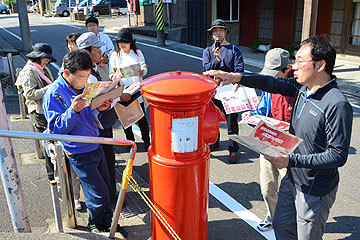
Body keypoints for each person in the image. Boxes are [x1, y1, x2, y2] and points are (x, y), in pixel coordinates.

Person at [204, 35, 353, 240]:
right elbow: (269, 82)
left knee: (307, 236)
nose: (294, 66)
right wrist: (235, 77)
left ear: (320, 65)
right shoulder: (301, 88)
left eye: (300, 61)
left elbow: (338, 155)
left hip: (314, 188)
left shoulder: (336, 104)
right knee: (281, 227)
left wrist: (291, 160)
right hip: (292, 179)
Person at [42, 51, 114, 233]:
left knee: (106, 188)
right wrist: (72, 111)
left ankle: (108, 223)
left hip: (94, 142)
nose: (85, 80)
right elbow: (56, 129)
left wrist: (100, 105)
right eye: (81, 77)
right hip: (78, 149)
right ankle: (95, 225)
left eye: (87, 76)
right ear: (66, 73)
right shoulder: (54, 93)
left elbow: (87, 114)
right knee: (96, 193)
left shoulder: (80, 87)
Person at [241, 48, 294, 232]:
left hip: (290, 147)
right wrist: (252, 115)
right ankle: (273, 216)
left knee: (290, 191)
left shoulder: (300, 86)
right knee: (267, 188)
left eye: (276, 73)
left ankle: (290, 224)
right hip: (269, 142)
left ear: (288, 68)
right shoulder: (270, 86)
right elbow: (263, 110)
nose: (272, 79)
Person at [76, 32, 118, 203]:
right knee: (105, 162)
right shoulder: (86, 75)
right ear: (86, 51)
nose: (101, 51)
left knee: (107, 160)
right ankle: (109, 198)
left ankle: (110, 195)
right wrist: (114, 95)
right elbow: (91, 103)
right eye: (97, 48)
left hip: (101, 122)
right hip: (97, 125)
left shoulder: (94, 68)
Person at [202, 19, 244, 163]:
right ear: (212, 34)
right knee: (213, 118)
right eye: (215, 30)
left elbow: (239, 70)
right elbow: (206, 69)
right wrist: (218, 59)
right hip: (214, 90)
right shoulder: (208, 51)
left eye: (220, 30)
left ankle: (233, 149)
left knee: (232, 121)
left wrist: (238, 82)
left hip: (230, 90)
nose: (217, 32)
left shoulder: (234, 50)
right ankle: (215, 140)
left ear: (225, 32)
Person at [16, 43, 56, 182]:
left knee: (52, 140)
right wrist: (51, 87)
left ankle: (56, 172)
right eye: (46, 58)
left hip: (47, 109)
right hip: (38, 112)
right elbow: (30, 94)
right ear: (38, 57)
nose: (48, 60)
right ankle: (52, 175)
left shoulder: (42, 69)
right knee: (47, 143)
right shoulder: (29, 71)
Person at [109, 28, 151, 150]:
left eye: (125, 42)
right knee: (125, 119)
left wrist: (142, 71)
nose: (122, 45)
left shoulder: (138, 53)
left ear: (131, 43)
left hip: (136, 89)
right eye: (120, 42)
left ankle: (146, 140)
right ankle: (130, 141)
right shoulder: (115, 55)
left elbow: (144, 66)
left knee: (141, 117)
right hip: (123, 91)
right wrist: (115, 76)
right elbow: (111, 73)